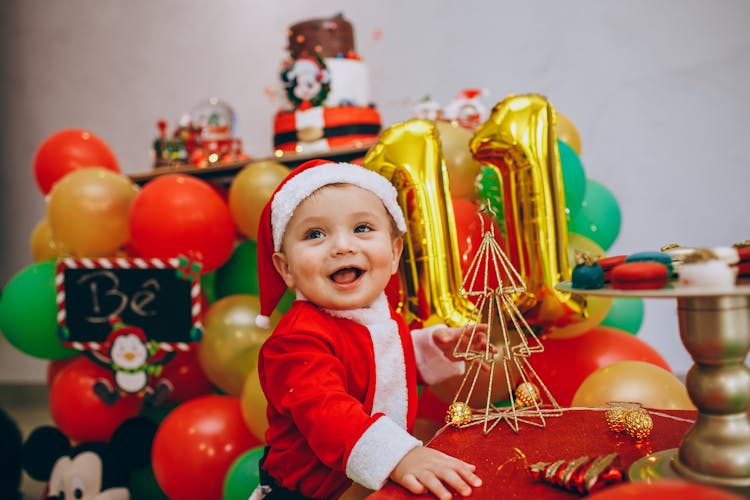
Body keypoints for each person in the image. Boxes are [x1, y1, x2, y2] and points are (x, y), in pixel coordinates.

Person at [252, 159, 493, 500]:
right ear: (286, 268)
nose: (342, 246)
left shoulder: (380, 317)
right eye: (315, 234)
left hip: (365, 485)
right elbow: (327, 412)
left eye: (362, 228)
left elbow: (375, 367)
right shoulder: (295, 341)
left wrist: (431, 349)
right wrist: (401, 456)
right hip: (308, 494)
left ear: (395, 253)